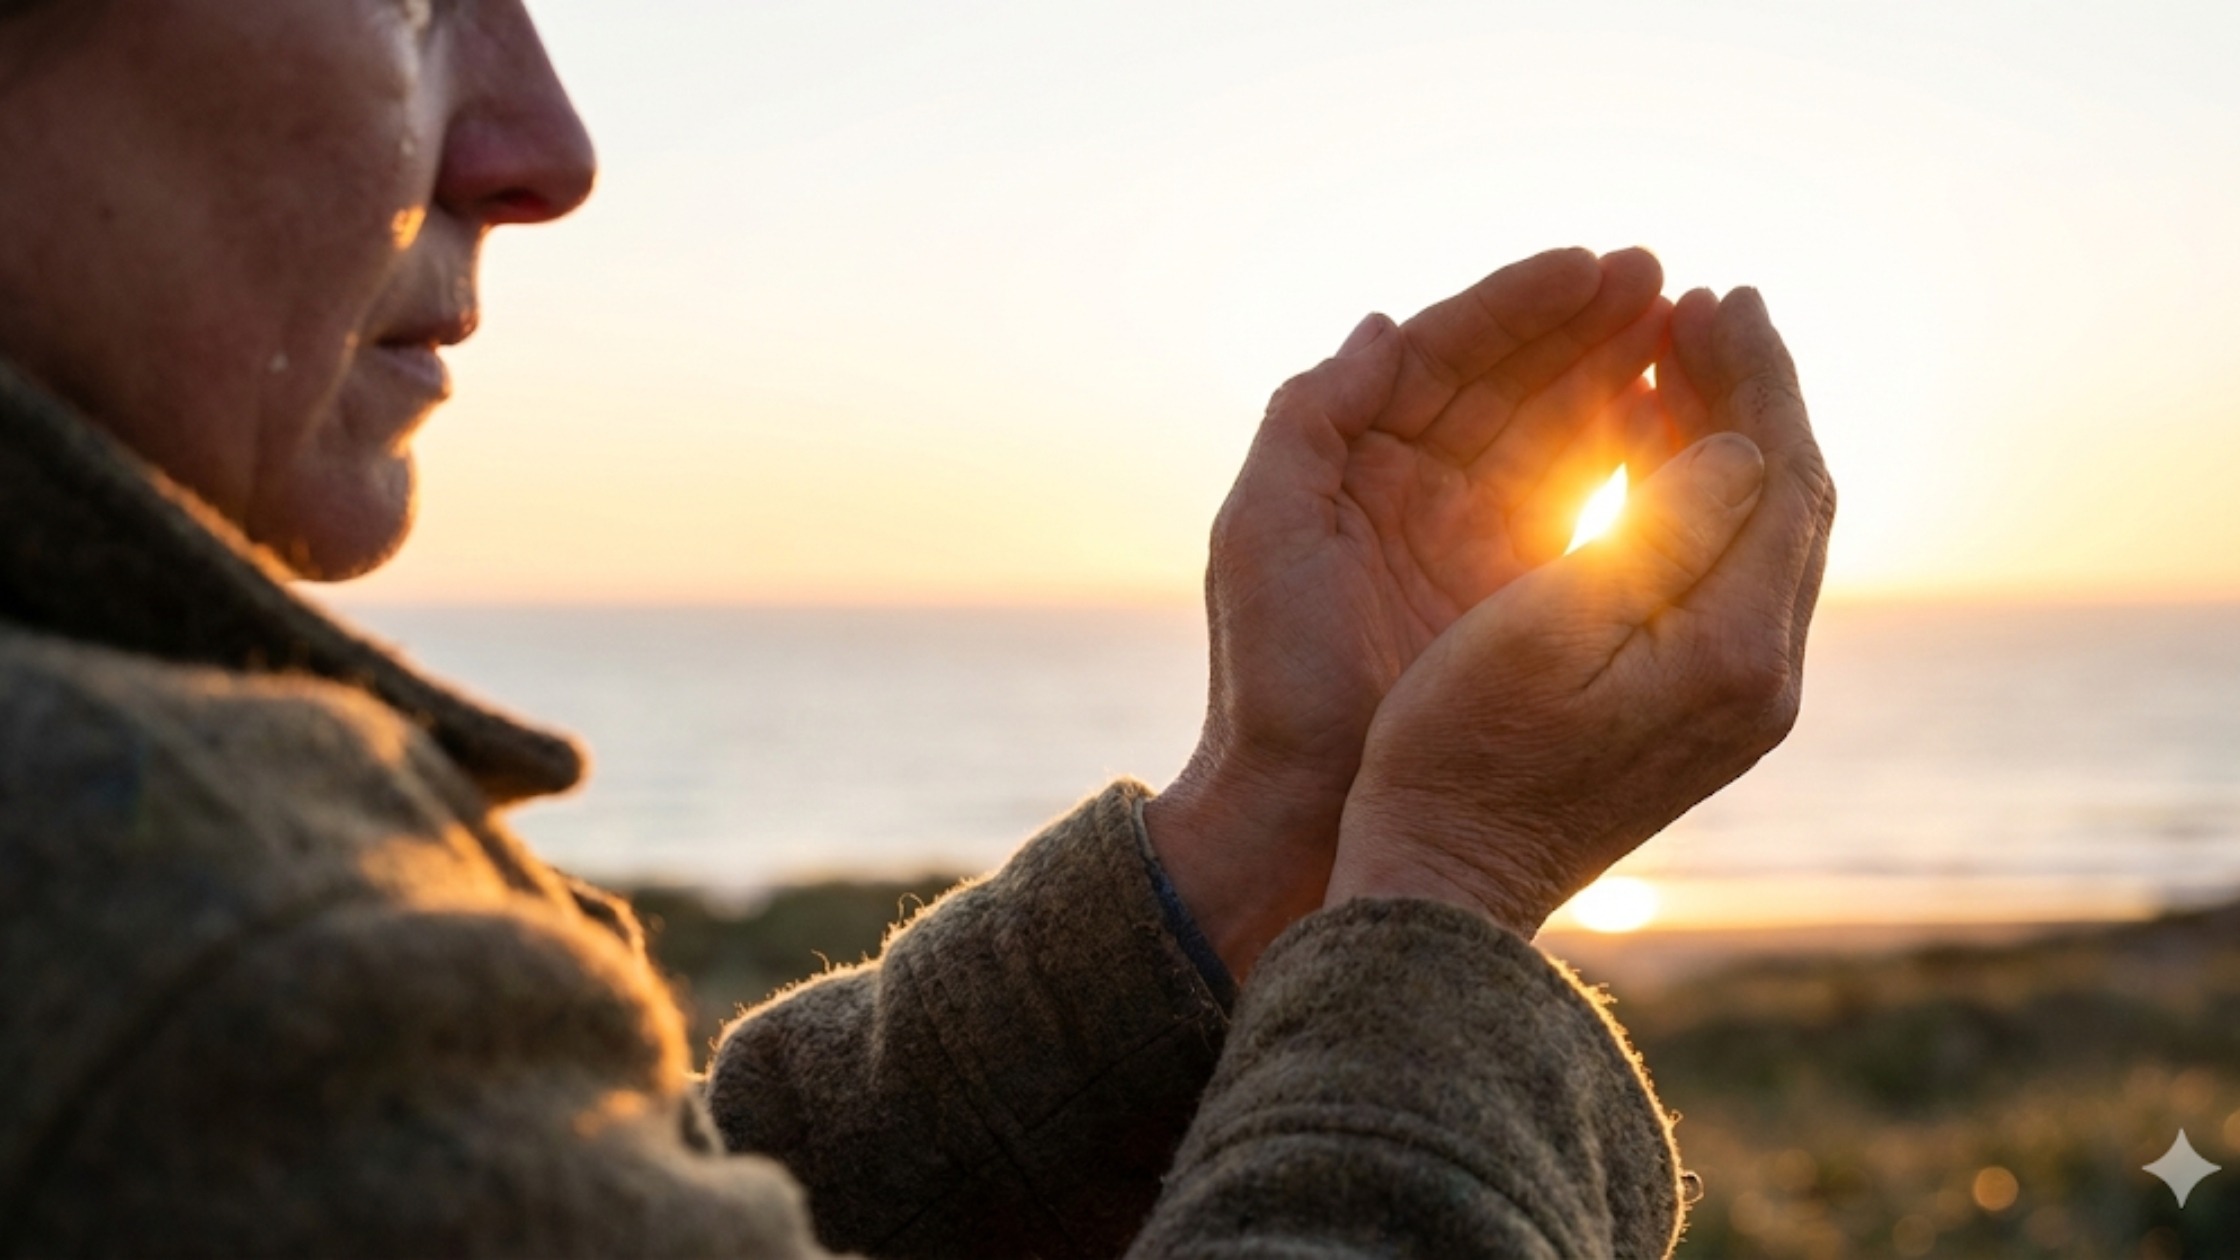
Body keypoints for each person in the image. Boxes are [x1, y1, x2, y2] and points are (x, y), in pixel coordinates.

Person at [0, 1, 1834, 1257]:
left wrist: (1267, 833)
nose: (543, 148)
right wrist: (1446, 890)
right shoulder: (188, 959)